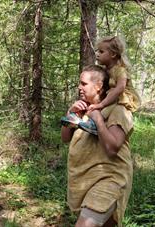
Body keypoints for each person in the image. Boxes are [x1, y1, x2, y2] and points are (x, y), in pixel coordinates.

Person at [61, 65, 134, 227]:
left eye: (83, 84)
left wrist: (98, 120)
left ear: (99, 86)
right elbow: (65, 138)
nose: (79, 87)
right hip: (85, 180)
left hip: (110, 179)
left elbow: (112, 148)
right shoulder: (82, 108)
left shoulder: (118, 110)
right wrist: (71, 114)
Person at [89, 36, 141, 115]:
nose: (97, 54)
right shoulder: (105, 70)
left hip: (122, 98)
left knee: (113, 98)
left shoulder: (120, 70)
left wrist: (101, 105)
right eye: (97, 51)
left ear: (113, 54)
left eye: (101, 52)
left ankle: (97, 119)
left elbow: (120, 88)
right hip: (110, 98)